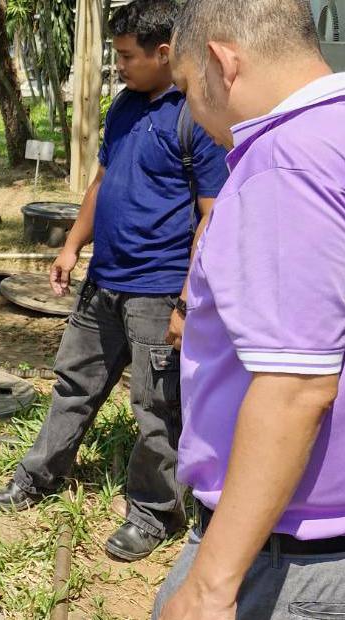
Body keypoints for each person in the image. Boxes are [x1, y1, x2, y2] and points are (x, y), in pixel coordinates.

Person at [0, 0, 230, 562]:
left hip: (157, 288)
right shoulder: (124, 105)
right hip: (105, 283)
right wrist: (72, 245)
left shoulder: (196, 114)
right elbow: (101, 179)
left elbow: (212, 214)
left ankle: (153, 512)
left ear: (163, 52)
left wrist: (187, 301)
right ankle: (39, 476)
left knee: (157, 409)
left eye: (125, 56)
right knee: (74, 383)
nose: (117, 66)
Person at [155, 0, 345, 616]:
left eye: (185, 87)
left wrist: (212, 583)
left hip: (289, 554)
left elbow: (295, 385)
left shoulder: (281, 165)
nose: (190, 107)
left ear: (221, 62)